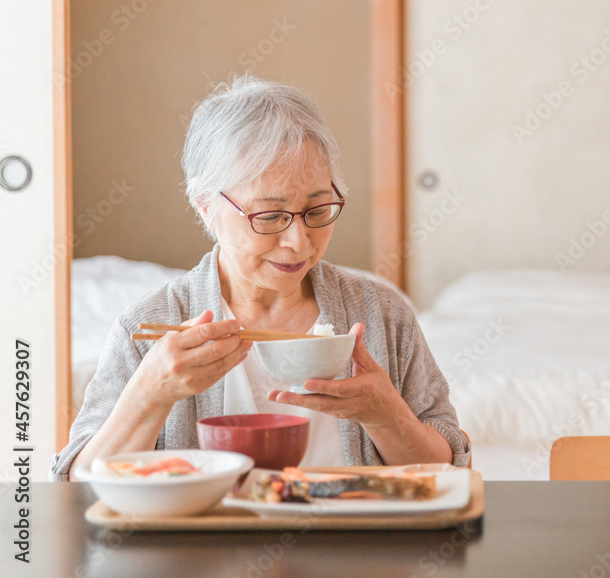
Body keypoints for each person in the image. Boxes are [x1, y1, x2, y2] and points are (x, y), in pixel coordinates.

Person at [51, 76, 469, 480]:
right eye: (270, 216)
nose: (298, 242)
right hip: (202, 553)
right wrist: (149, 394)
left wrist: (386, 415)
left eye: (317, 210)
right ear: (206, 208)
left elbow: (450, 469)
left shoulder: (381, 314)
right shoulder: (151, 325)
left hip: (351, 551)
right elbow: (79, 489)